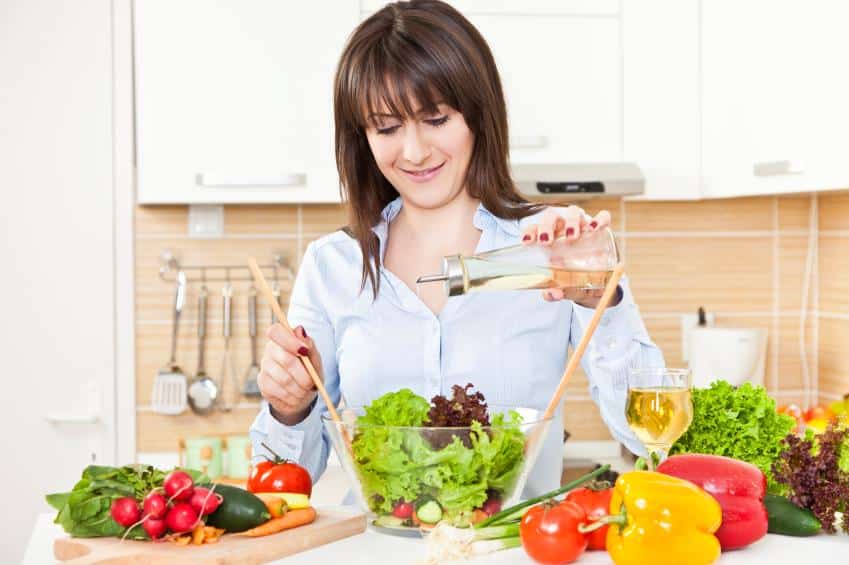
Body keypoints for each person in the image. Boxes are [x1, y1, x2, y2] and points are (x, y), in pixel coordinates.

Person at [249, 0, 663, 498]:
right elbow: (284, 479)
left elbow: (645, 433)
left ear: (477, 116)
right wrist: (289, 407)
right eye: (387, 127)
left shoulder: (551, 251)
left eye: (436, 119)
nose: (415, 151)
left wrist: (602, 300)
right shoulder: (333, 265)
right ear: (362, 138)